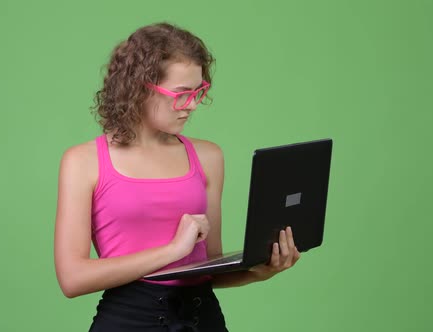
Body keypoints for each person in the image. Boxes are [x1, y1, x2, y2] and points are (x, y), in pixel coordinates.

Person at [54, 22, 301, 331]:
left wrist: (259, 270)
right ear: (139, 87)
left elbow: (209, 266)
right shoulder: (83, 162)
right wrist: (172, 251)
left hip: (204, 321)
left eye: (200, 91)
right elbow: (72, 278)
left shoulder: (208, 157)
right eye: (182, 93)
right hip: (127, 322)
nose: (193, 104)